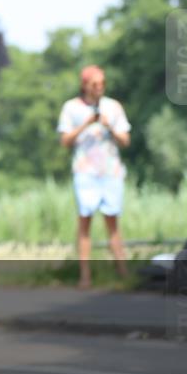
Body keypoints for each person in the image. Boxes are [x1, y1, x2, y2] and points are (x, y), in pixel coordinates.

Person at [57, 65, 131, 288]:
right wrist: (87, 124)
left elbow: (125, 141)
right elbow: (64, 141)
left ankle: (122, 271)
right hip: (85, 172)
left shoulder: (113, 107)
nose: (99, 88)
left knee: (113, 222)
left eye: (102, 84)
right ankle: (85, 276)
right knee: (85, 223)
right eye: (94, 84)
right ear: (85, 85)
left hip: (110, 171)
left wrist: (108, 126)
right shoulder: (71, 108)